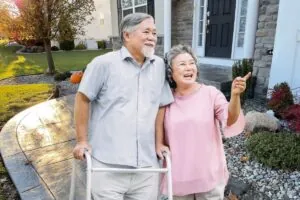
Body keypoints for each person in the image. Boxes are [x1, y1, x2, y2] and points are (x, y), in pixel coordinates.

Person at [72, 13, 173, 200]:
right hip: (107, 166)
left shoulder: (159, 66)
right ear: (127, 35)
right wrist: (81, 140)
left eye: (154, 33)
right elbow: (82, 99)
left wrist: (159, 142)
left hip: (147, 166)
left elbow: (161, 106)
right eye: (146, 32)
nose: (152, 37)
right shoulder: (103, 64)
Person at [156, 45, 249, 200]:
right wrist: (158, 143)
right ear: (170, 72)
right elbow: (158, 125)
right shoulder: (166, 98)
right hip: (179, 176)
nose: (188, 68)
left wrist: (235, 96)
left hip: (208, 175)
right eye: (182, 64)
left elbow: (230, 118)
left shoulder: (210, 93)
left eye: (191, 63)